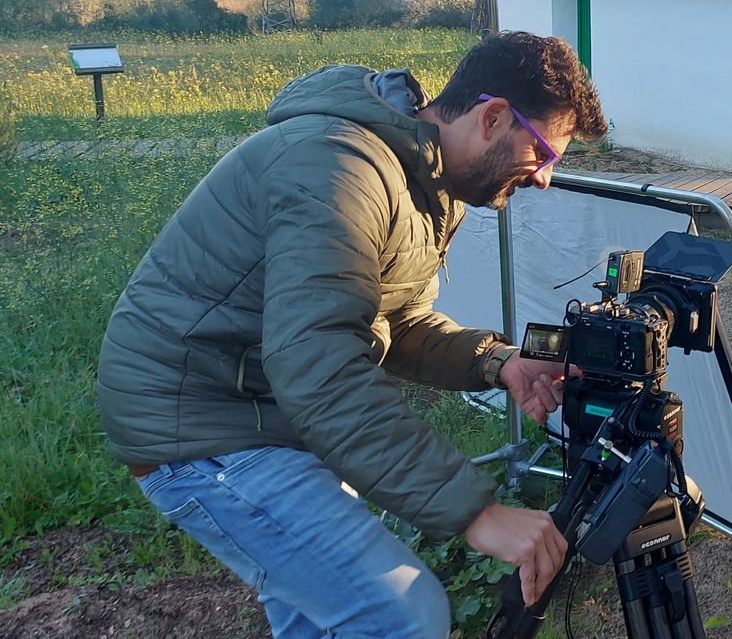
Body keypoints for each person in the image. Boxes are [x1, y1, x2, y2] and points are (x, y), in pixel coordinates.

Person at [96, 31, 607, 638]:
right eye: (543, 153)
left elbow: (395, 322)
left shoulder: (421, 179)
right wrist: (478, 511)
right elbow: (318, 364)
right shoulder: (340, 168)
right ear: (493, 117)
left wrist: (497, 361)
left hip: (266, 414)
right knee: (401, 614)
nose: (544, 178)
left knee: (325, 623)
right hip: (203, 425)